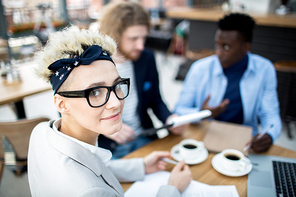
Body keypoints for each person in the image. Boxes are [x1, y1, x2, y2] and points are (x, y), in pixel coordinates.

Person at [28, 26, 192, 196]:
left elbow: (91, 164)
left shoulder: (40, 132)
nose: (116, 103)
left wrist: (140, 166)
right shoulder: (89, 192)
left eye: (117, 85)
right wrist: (173, 188)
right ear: (62, 104)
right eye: (94, 92)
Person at [175, 13, 282, 153]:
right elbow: (179, 109)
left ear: (245, 47)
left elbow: (270, 114)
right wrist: (202, 113)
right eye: (217, 45)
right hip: (206, 135)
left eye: (226, 47)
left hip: (245, 139)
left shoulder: (265, 70)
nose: (218, 53)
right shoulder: (200, 69)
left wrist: (269, 135)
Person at [98, 1, 186, 159]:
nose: (140, 45)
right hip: (107, 147)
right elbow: (71, 114)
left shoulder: (146, 58)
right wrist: (103, 128)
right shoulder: (93, 63)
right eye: (133, 38)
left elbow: (156, 100)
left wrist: (170, 118)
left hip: (143, 137)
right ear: (114, 35)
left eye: (144, 38)